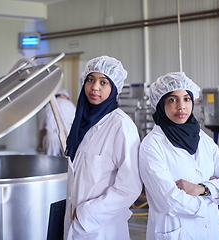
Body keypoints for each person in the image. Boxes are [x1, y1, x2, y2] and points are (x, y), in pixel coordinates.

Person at [139, 72, 219, 240]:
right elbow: (170, 200)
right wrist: (214, 196)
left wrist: (201, 189)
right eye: (172, 100)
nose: (181, 107)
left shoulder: (203, 139)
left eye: (187, 99)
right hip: (177, 232)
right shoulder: (152, 145)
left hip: (211, 232)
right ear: (160, 104)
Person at [63, 56, 142, 239]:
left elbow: (130, 186)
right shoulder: (81, 123)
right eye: (91, 80)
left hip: (101, 226)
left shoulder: (120, 125)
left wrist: (86, 214)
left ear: (114, 88)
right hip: (74, 222)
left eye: (103, 82)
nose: (95, 87)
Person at [37, 89, 76, 156]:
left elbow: (42, 129)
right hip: (67, 136)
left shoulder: (48, 106)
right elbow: (76, 125)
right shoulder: (70, 104)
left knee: (51, 162)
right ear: (62, 95)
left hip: (52, 136)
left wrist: (39, 143)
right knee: (67, 162)